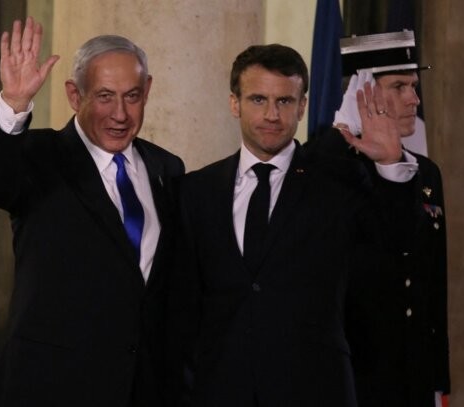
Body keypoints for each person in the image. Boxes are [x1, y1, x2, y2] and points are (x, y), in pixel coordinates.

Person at [167, 43, 420, 407]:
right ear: (234, 103)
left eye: (284, 101)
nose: (272, 114)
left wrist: (391, 165)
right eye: (258, 100)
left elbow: (397, 243)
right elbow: (181, 312)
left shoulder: (338, 183)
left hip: (314, 390)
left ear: (302, 106)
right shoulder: (195, 191)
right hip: (219, 391)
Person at [0, 17, 184, 407]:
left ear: (147, 91)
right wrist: (14, 104)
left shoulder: (167, 168)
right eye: (104, 96)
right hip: (51, 387)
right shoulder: (40, 157)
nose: (120, 113)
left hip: (144, 388)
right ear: (74, 94)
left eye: (132, 96)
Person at [321, 31, 450, 407]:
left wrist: (439, 381)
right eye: (399, 86)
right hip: (349, 378)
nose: (415, 99)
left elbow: (433, 282)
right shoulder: (324, 168)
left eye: (414, 86)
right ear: (361, 91)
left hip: (412, 375)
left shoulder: (425, 172)